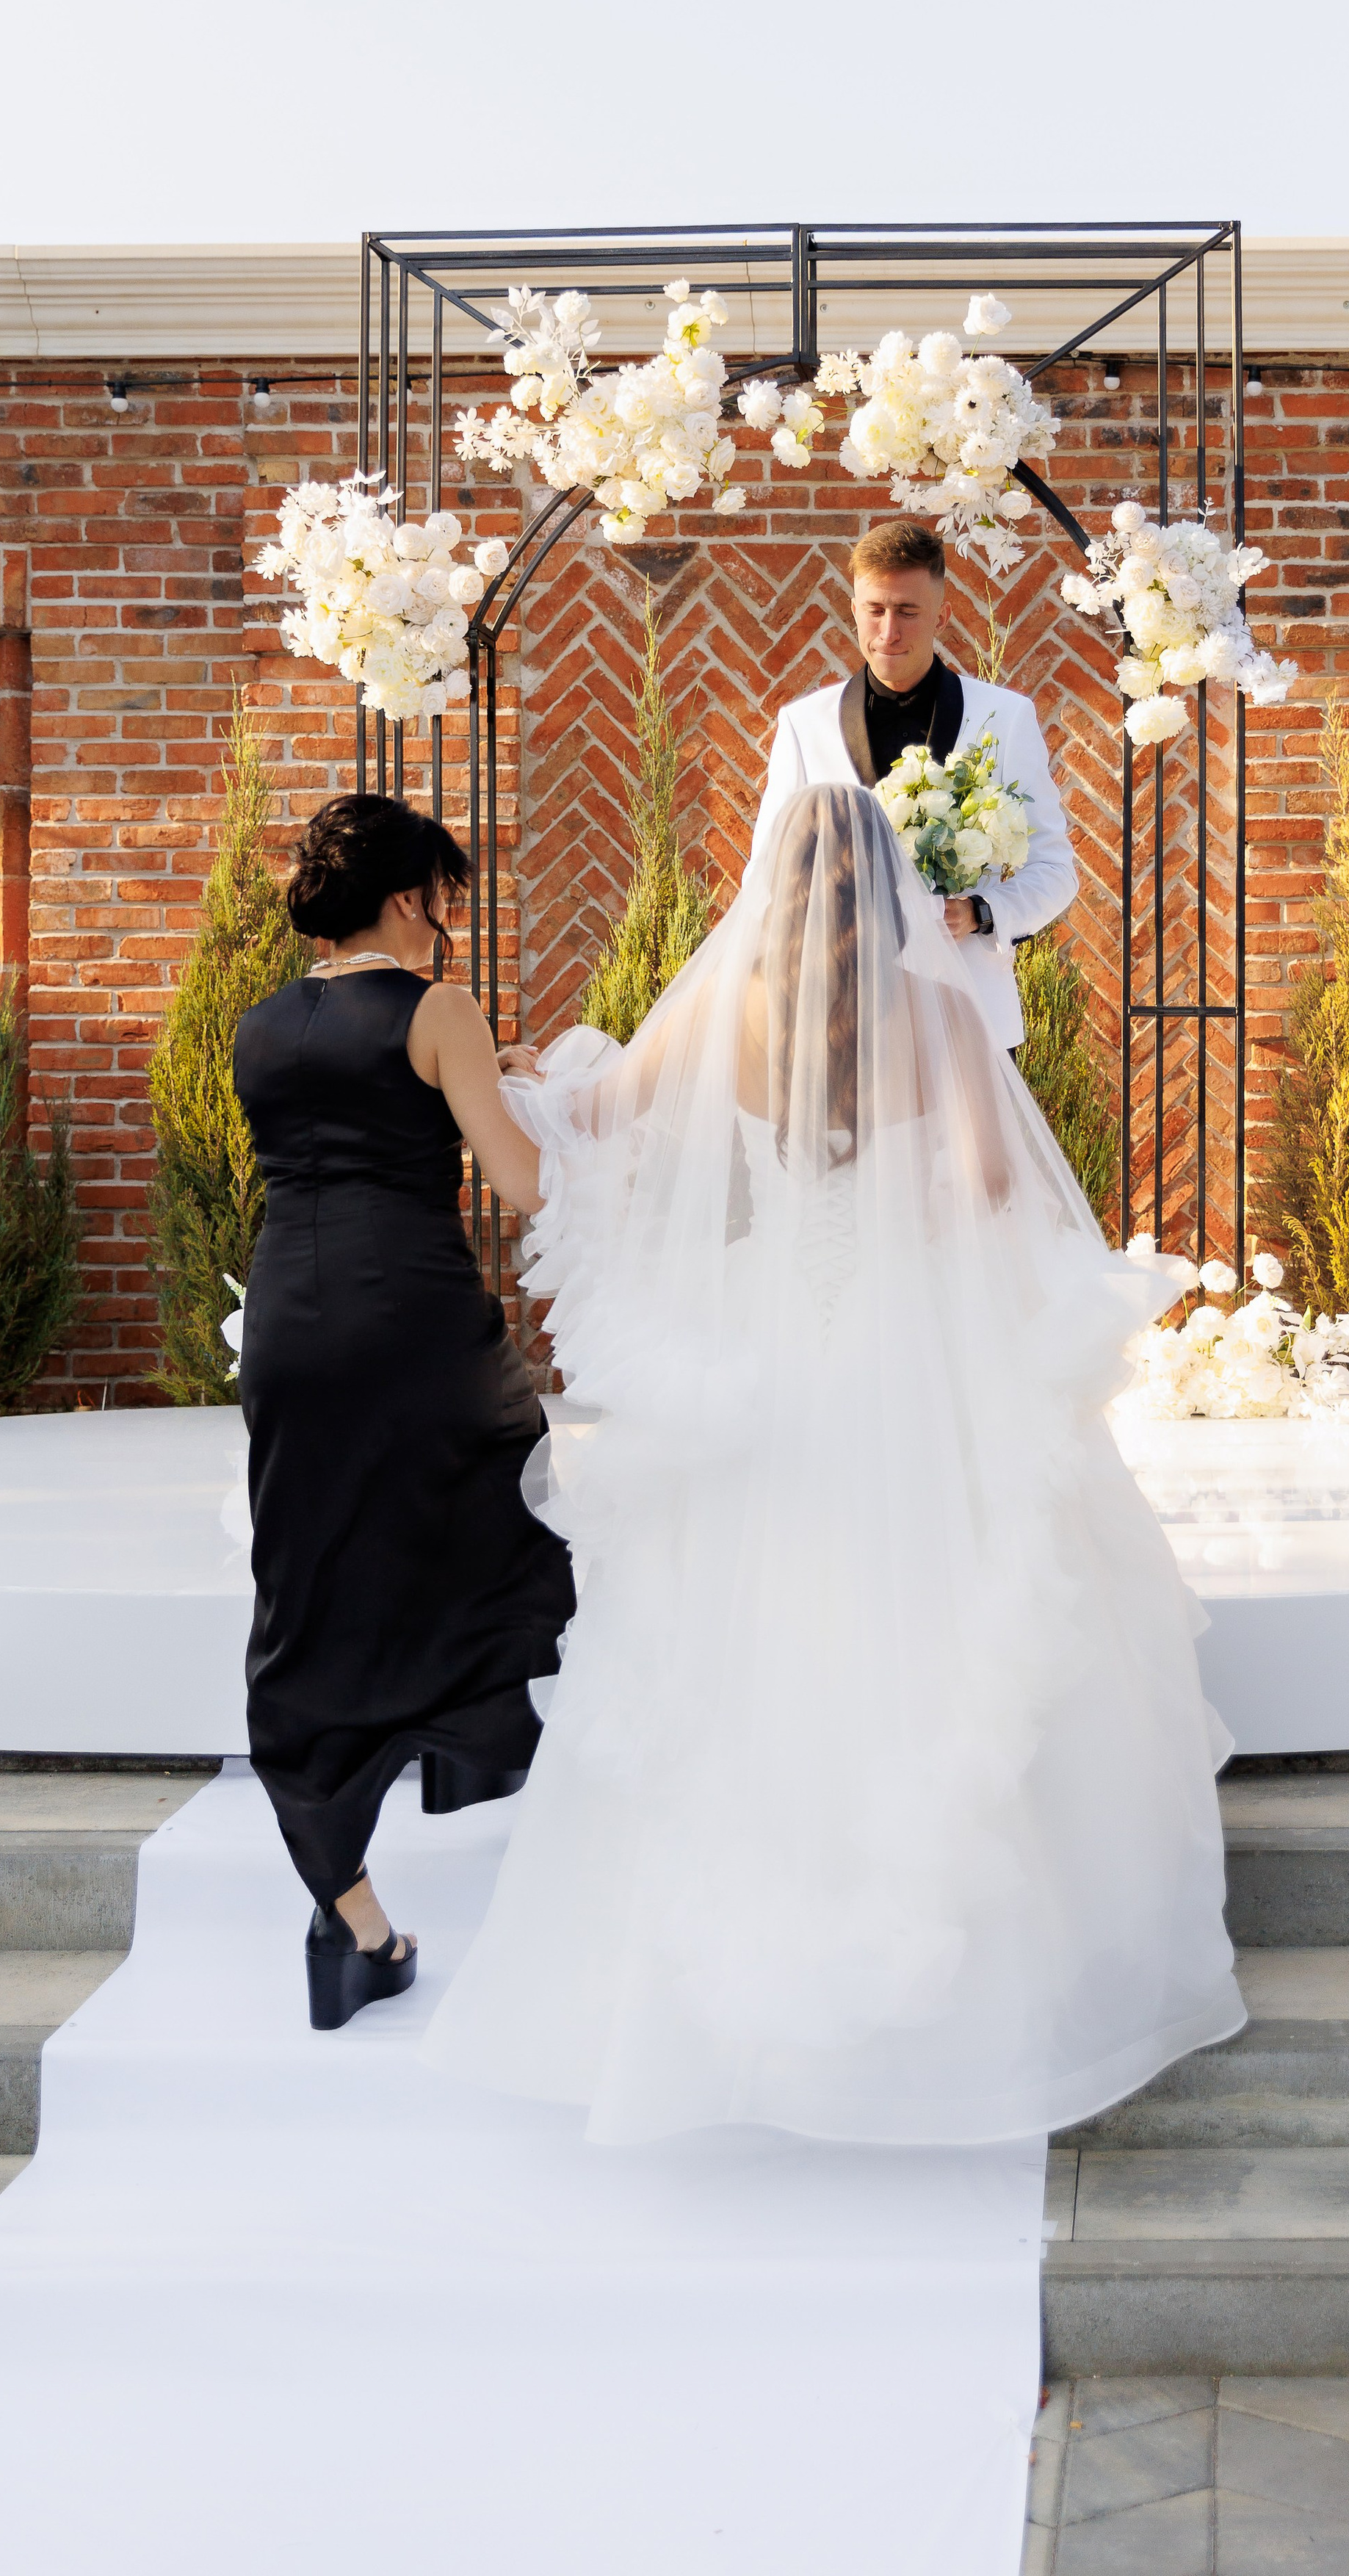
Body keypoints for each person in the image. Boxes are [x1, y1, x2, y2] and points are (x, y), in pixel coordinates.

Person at [423, 782, 1243, 2146]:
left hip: (762, 1350)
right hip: (899, 1346)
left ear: (772, 880)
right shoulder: (940, 1013)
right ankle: (944, 1989)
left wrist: (500, 1078)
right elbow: (989, 1187)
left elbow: (598, 1119)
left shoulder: (722, 1005)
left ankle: (720, 1990)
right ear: (891, 879)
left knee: (746, 1621)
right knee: (932, 1610)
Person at [232, 793, 575, 2032]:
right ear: (404, 898)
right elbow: (524, 1187)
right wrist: (559, 1103)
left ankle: (353, 1924)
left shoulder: (261, 1027)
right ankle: (521, 1786)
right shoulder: (440, 1011)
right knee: (484, 1549)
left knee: (310, 1589)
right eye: (447, 896)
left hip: (288, 1331)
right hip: (416, 1332)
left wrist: (489, 1073)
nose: (453, 921)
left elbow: (347, 1128)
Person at [748, 519, 1078, 1053]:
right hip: (840, 1021)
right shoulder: (803, 725)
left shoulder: (1007, 718)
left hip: (970, 1014)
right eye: (874, 610)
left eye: (907, 611)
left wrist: (982, 913)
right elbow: (767, 872)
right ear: (854, 609)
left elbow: (1054, 870)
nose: (888, 632)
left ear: (942, 615)